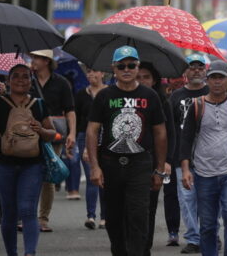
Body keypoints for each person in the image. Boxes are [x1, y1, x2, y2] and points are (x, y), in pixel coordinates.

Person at [85, 46, 169, 256]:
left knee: (139, 216)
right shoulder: (104, 96)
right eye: (121, 65)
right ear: (113, 68)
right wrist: (95, 167)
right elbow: (92, 131)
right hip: (111, 163)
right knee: (113, 219)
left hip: (140, 164)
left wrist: (159, 169)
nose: (127, 69)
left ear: (137, 66)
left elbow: (160, 133)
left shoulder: (150, 96)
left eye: (131, 65)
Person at [0, 64, 57, 256]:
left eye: (25, 77)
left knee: (28, 210)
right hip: (3, 164)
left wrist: (40, 129)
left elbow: (52, 134)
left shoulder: (39, 104)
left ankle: (30, 252)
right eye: (16, 76)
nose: (21, 80)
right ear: (8, 80)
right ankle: (11, 253)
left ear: (31, 81)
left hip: (32, 165)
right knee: (9, 212)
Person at [180, 60, 227, 256]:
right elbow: (186, 140)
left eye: (220, 78)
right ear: (207, 80)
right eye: (213, 77)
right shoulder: (197, 106)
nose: (216, 82)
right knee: (207, 224)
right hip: (204, 174)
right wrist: (186, 170)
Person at [29, 49, 76, 232]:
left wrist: (71, 133)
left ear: (46, 61)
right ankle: (27, 216)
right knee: (30, 175)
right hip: (30, 132)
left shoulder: (61, 83)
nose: (33, 61)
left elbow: (70, 110)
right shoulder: (27, 81)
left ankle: (42, 218)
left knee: (48, 176)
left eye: (37, 57)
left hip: (54, 135)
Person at [169, 54, 209, 253]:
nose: (196, 70)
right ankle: (193, 238)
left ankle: (210, 236)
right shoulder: (176, 96)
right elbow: (169, 128)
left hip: (210, 157)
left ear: (206, 70)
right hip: (182, 157)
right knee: (187, 199)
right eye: (191, 66)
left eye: (200, 66)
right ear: (185, 71)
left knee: (209, 199)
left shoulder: (212, 92)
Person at [136, 62, 177, 256]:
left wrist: (167, 161)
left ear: (154, 80)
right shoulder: (121, 98)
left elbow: (170, 134)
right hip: (126, 162)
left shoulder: (162, 102)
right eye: (138, 76)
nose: (141, 80)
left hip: (153, 162)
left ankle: (144, 248)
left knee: (148, 208)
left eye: (146, 77)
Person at [74, 66, 108, 229]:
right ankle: (91, 216)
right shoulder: (81, 94)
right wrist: (73, 138)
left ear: (103, 73)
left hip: (108, 137)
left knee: (105, 178)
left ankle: (105, 217)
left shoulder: (110, 93)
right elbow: (77, 118)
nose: (91, 74)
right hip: (84, 137)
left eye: (95, 70)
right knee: (91, 176)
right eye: (88, 72)